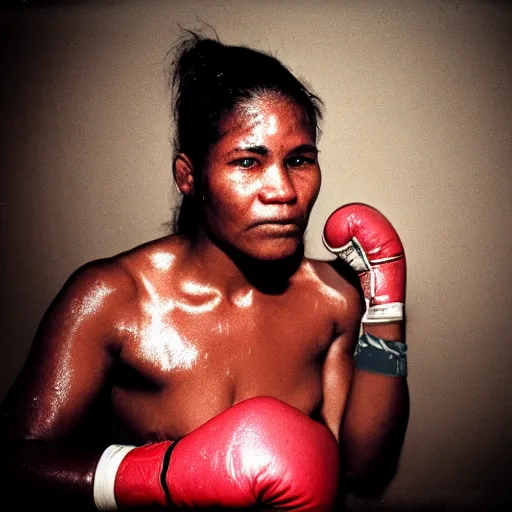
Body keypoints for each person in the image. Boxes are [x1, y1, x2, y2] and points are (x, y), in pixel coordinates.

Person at [0, 32, 409, 511]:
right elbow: (12, 461)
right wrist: (165, 477)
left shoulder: (333, 299)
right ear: (188, 176)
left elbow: (362, 470)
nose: (282, 190)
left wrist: (387, 307)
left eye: (299, 160)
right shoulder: (113, 297)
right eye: (247, 162)